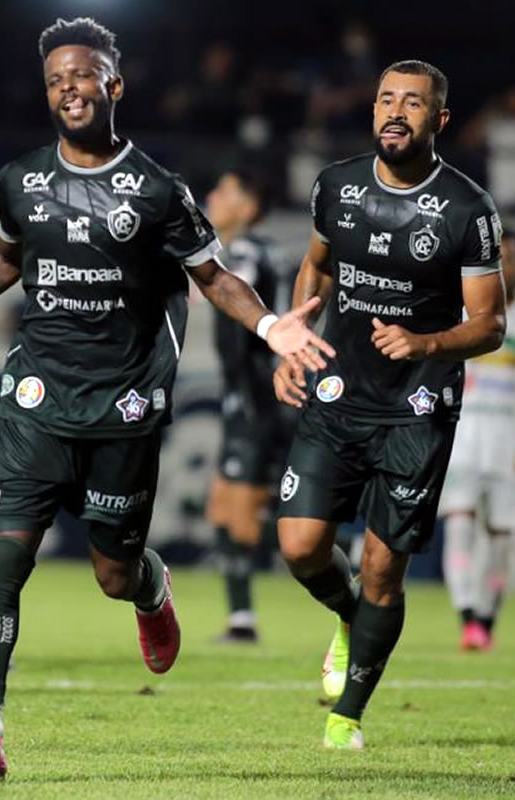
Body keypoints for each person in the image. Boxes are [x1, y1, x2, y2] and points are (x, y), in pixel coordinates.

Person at [0, 17, 332, 780]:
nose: (68, 89)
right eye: (55, 80)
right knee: (4, 555)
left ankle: (150, 586)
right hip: (36, 396)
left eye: (81, 75)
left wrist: (273, 326)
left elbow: (213, 278)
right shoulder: (20, 181)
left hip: (124, 406)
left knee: (113, 572)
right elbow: (6, 261)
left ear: (114, 84)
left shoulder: (158, 190)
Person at [273, 60, 507, 749]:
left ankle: (346, 716)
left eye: (413, 102)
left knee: (381, 566)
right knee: (301, 546)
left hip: (418, 405)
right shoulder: (336, 186)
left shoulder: (468, 210)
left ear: (440, 119)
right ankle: (348, 615)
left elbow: (490, 323)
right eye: (385, 100)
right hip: (338, 390)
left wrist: (427, 341)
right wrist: (295, 341)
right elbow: (317, 266)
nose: (395, 112)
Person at [439, 228, 515, 650]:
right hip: (463, 438)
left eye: (514, 257)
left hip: (510, 443)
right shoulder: (460, 308)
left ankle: (487, 618)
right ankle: (467, 618)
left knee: (500, 537)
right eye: (501, 257)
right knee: (459, 524)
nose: (508, 265)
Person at [203, 169, 292, 643]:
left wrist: (247, 391)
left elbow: (243, 335)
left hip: (258, 395)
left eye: (225, 192)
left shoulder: (243, 255)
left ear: (249, 207)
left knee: (241, 511)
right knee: (223, 505)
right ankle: (240, 618)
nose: (212, 197)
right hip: (258, 392)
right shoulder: (266, 252)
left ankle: (351, 548)